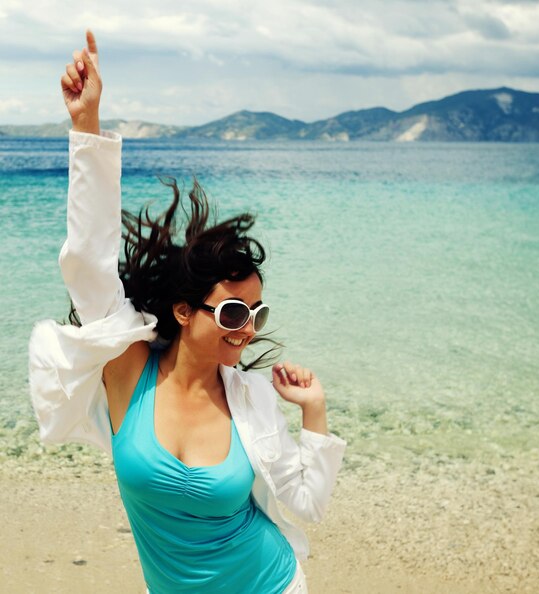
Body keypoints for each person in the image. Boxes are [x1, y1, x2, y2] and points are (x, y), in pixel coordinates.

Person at [29, 30, 346, 594]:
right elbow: (89, 261)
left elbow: (307, 503)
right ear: (182, 311)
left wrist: (314, 412)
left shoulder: (251, 400)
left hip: (273, 584)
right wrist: (87, 125)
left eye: (256, 313)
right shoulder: (127, 373)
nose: (246, 329)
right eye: (230, 313)